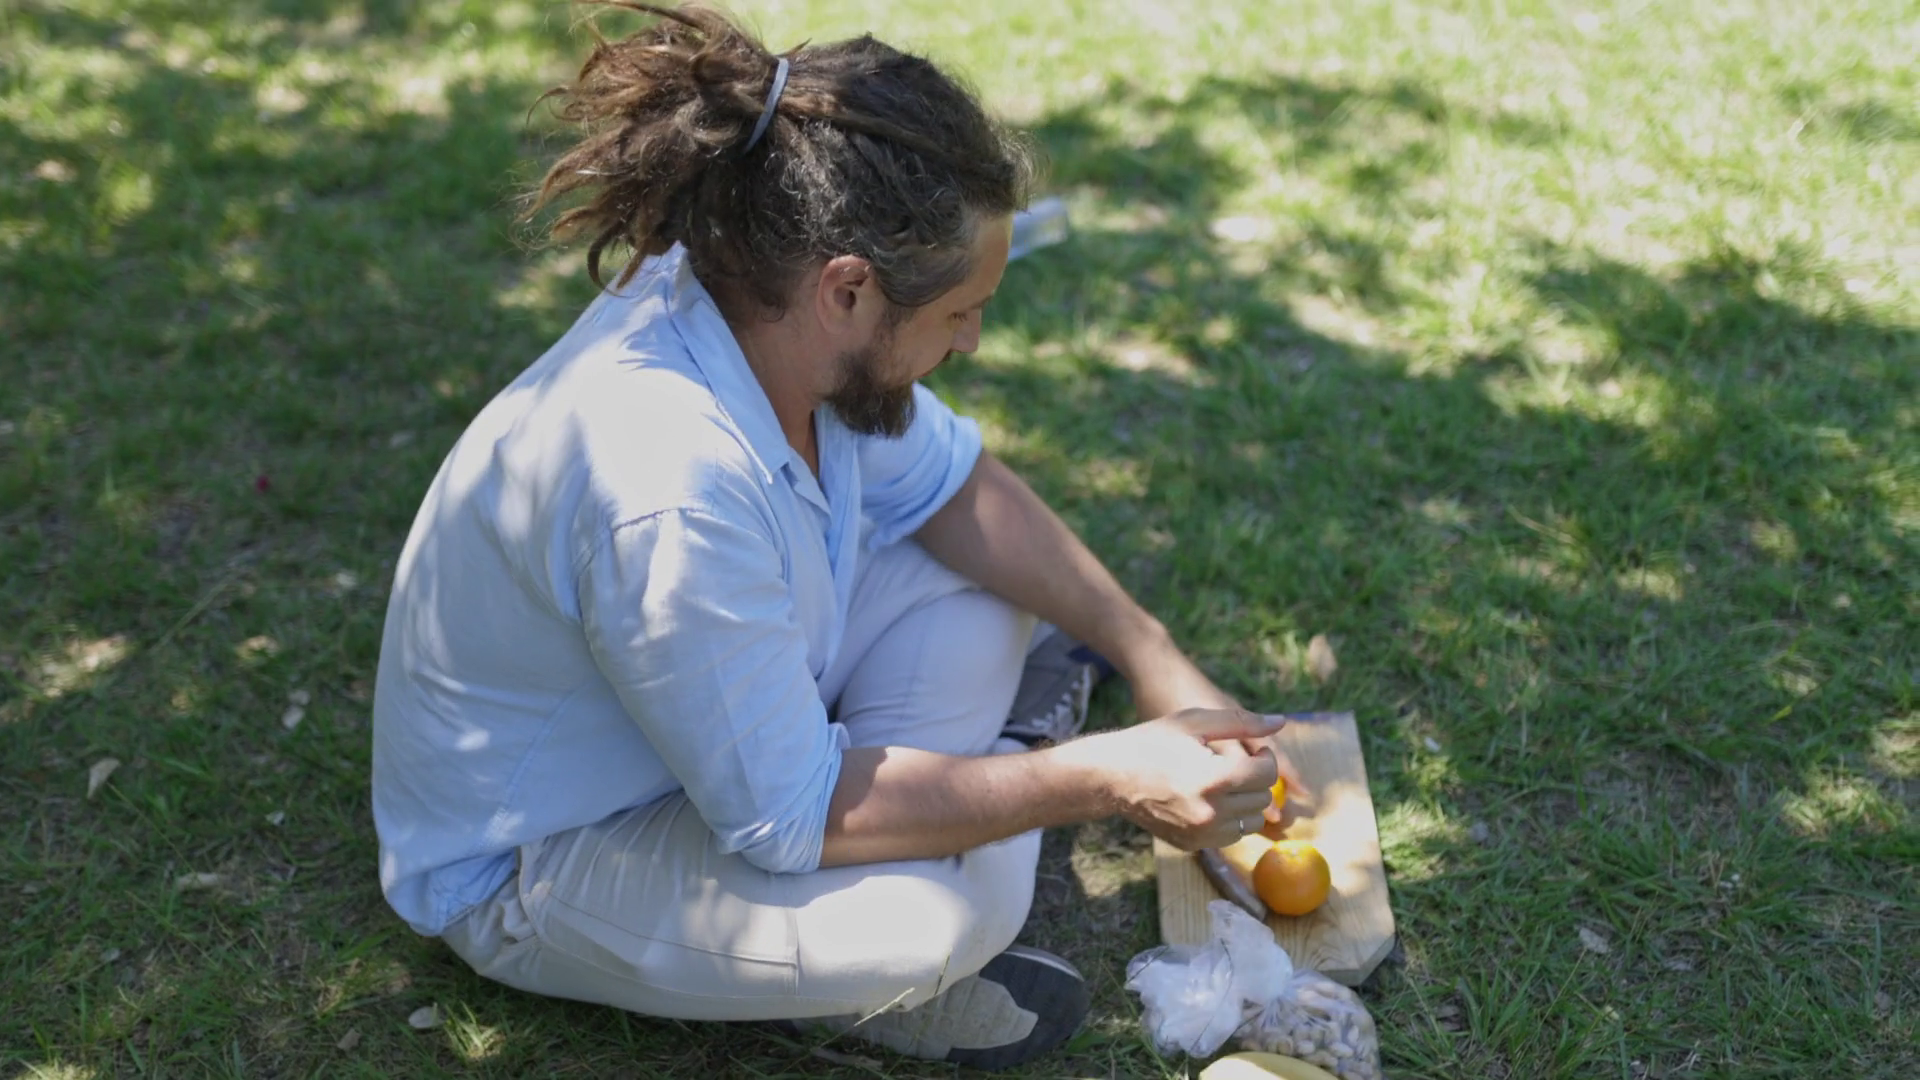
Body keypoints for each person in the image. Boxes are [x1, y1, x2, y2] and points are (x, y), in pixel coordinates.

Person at [370, 2, 1298, 1070]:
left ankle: (969, 805)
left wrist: (1149, 653)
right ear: (849, 289)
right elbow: (793, 817)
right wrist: (1099, 779)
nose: (972, 340)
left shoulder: (763, 305)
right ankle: (981, 820)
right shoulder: (667, 484)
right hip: (543, 857)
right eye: (957, 313)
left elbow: (955, 489)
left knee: (992, 585)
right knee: (937, 927)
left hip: (715, 745)